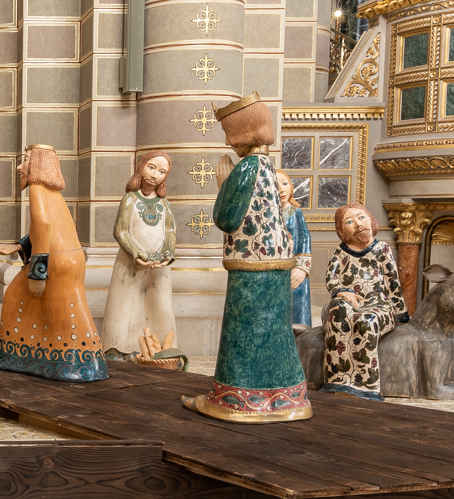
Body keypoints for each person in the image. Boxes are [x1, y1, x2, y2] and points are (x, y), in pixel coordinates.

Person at [183, 93, 312, 422]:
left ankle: (235, 400)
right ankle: (285, 400)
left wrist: (223, 185)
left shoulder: (246, 168)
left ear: (244, 131)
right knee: (274, 332)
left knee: (243, 333)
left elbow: (227, 219)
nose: (228, 141)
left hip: (251, 264)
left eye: (229, 133)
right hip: (277, 263)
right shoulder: (267, 167)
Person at [0, 145, 106, 381]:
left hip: (54, 260)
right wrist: (20, 246)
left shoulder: (37, 188)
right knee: (69, 309)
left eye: (26, 160)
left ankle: (25, 357)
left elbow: (43, 225)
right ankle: (82, 362)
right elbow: (52, 230)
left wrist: (38, 272)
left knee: (16, 298)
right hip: (70, 257)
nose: (20, 167)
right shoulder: (53, 193)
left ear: (39, 165)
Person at [321, 204, 409, 399]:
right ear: (342, 230)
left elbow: (393, 282)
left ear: (371, 220)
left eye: (361, 217)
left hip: (379, 306)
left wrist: (401, 314)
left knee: (366, 322)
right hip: (349, 304)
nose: (358, 224)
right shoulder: (339, 252)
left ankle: (366, 385)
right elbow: (331, 278)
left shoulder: (382, 249)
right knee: (337, 312)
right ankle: (338, 380)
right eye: (349, 222)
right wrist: (342, 291)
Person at [101, 151, 177, 354]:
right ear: (141, 167)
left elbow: (170, 231)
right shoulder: (130, 200)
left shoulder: (163, 203)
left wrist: (167, 253)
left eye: (162, 171)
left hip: (158, 266)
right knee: (124, 305)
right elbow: (120, 231)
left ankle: (161, 351)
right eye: (151, 167)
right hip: (129, 264)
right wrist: (136, 253)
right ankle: (119, 349)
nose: (155, 174)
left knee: (160, 305)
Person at [278, 171, 313, 326]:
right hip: (274, 270)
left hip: (293, 269)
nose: (281, 189)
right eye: (275, 185)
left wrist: (301, 268)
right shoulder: (265, 214)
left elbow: (305, 239)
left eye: (285, 183)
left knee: (296, 309)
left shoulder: (295, 212)